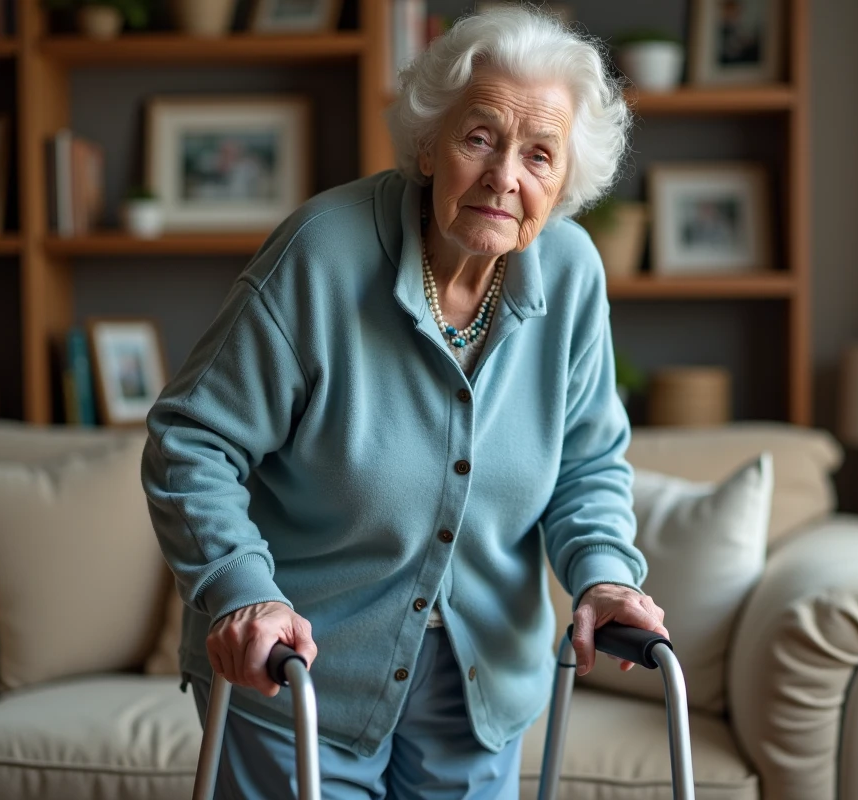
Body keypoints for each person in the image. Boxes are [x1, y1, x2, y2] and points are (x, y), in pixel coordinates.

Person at [141, 6, 669, 798]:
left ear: (564, 181)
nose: (504, 177)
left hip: (479, 685)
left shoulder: (571, 273)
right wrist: (241, 592)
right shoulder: (320, 255)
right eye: (480, 137)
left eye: (539, 154)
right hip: (297, 676)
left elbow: (587, 463)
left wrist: (603, 575)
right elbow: (192, 441)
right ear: (429, 142)